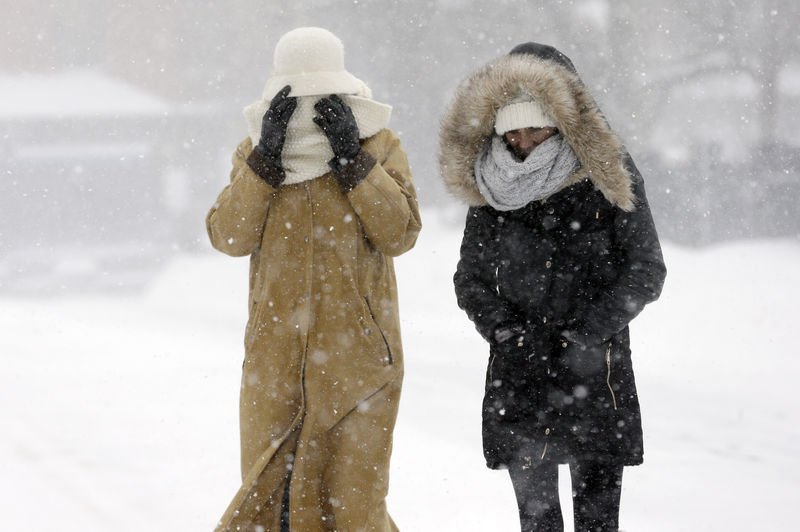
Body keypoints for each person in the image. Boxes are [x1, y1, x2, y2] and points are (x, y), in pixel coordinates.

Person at [439, 42, 666, 531]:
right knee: (537, 522)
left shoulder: (608, 174)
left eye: (537, 128)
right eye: (513, 130)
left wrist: (586, 334)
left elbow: (646, 269)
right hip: (519, 371)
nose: (525, 141)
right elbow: (470, 278)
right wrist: (505, 332)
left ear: (564, 121)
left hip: (596, 370)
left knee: (598, 521)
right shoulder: (492, 186)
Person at [206, 27, 420, 531]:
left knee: (354, 507)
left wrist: (352, 161)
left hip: (361, 361)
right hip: (274, 360)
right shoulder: (255, 154)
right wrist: (265, 162)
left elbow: (400, 232)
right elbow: (228, 236)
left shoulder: (379, 146)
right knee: (270, 501)